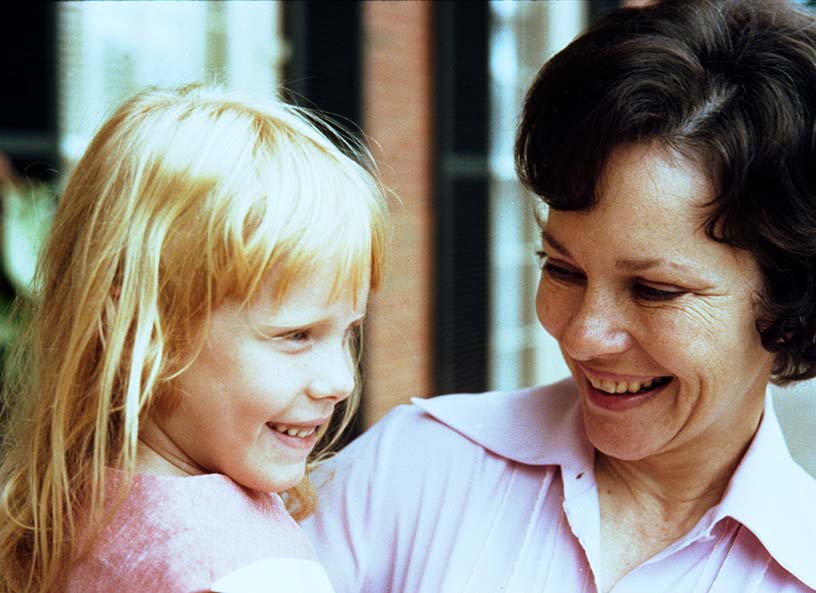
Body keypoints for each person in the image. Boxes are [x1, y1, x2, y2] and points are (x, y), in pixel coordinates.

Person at [302, 0, 816, 591]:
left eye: (654, 290)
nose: (580, 334)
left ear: (789, 306)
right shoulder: (413, 468)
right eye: (563, 268)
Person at [0, 84, 388, 593]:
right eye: (296, 335)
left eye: (348, 332)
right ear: (138, 331)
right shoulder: (239, 564)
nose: (341, 381)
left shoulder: (61, 510)